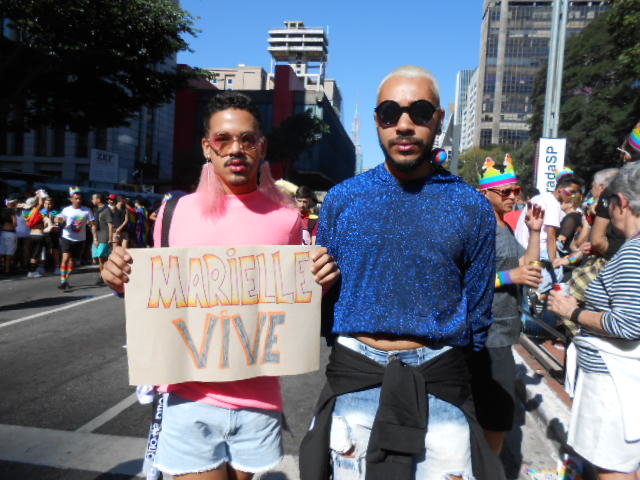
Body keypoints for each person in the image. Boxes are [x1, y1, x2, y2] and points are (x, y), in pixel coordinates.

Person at [101, 91, 339, 480]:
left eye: (247, 140)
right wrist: (120, 278)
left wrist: (322, 282)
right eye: (223, 140)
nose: (235, 149)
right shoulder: (174, 210)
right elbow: (155, 293)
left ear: (262, 148)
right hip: (188, 396)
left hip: (260, 399)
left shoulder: (286, 217)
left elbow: (299, 300)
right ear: (206, 148)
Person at [300, 66, 502, 480]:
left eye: (419, 111)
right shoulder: (343, 199)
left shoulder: (472, 206)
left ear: (439, 119)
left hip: (440, 382)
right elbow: (323, 300)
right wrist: (313, 283)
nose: (404, 125)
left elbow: (479, 315)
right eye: (390, 113)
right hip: (356, 377)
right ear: (377, 120)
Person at [548, 161, 640, 479]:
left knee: (614, 470)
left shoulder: (633, 253)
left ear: (622, 203)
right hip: (623, 383)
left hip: (616, 386)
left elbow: (627, 324)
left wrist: (571, 311)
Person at [471, 155, 544, 454]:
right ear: (484, 192)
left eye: (516, 190)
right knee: (496, 416)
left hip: (502, 332)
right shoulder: (479, 227)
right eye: (506, 192)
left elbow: (529, 263)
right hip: (487, 334)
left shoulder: (504, 226)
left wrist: (536, 230)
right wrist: (509, 276)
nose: (513, 197)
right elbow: (466, 279)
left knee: (494, 413)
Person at [56, 187, 95, 290]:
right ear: (71, 199)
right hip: (66, 237)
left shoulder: (86, 211)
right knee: (65, 259)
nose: (78, 200)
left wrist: (95, 237)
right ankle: (63, 281)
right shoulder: (66, 210)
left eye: (80, 199)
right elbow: (59, 218)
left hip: (80, 239)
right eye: (76, 198)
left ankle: (66, 279)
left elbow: (93, 224)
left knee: (73, 263)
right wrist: (58, 219)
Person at [24, 191, 47, 278]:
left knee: (32, 253)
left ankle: (32, 270)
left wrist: (36, 197)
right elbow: (41, 203)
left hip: (31, 234)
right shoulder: (36, 211)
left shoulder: (26, 213)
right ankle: (32, 271)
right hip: (39, 235)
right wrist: (40, 194)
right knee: (36, 254)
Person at [91, 192, 113, 284]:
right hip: (98, 236)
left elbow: (110, 225)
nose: (92, 200)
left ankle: (103, 276)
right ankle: (104, 275)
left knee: (102, 257)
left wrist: (110, 238)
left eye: (93, 198)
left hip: (104, 237)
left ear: (98, 200)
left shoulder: (106, 210)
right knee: (100, 258)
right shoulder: (97, 210)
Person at [42, 196, 61, 275]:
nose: (48, 205)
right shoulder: (41, 212)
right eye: (46, 203)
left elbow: (58, 224)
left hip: (54, 234)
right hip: (44, 234)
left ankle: (57, 266)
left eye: (49, 204)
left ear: (52, 204)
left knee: (55, 250)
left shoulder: (56, 212)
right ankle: (42, 267)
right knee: (44, 250)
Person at [0, 198, 18, 274]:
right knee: (9, 252)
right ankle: (7, 270)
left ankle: (2, 268)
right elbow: (15, 223)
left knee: (1, 252)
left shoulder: (2, 211)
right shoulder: (12, 211)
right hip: (10, 233)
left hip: (2, 232)